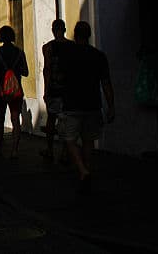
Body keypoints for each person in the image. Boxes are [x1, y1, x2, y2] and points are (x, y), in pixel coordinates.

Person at [58, 20, 115, 195]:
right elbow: (106, 83)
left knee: (69, 139)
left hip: (72, 103)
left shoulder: (67, 54)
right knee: (88, 139)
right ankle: (86, 167)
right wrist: (110, 105)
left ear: (75, 34)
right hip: (92, 103)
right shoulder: (98, 55)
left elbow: (60, 78)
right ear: (89, 35)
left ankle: (82, 170)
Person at [0, 25, 29, 158]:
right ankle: (15, 149)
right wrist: (15, 70)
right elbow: (26, 72)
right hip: (15, 91)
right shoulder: (20, 52)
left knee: (0, 119)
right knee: (15, 119)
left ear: (1, 37)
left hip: (0, 90)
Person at [41, 19, 70, 164]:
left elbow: (46, 69)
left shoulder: (48, 47)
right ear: (64, 29)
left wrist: (46, 89)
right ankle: (65, 152)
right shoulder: (72, 46)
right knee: (66, 121)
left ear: (53, 30)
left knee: (51, 119)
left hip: (54, 88)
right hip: (68, 89)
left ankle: (50, 150)